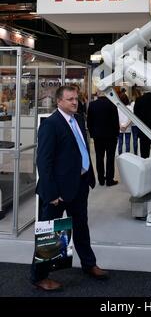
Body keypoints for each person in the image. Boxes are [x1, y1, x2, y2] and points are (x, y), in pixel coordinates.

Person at [30, 85, 108, 292]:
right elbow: (43, 162)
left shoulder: (79, 119)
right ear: (59, 102)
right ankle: (39, 277)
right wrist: (52, 193)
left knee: (82, 227)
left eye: (76, 98)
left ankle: (89, 264)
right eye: (70, 99)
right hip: (58, 192)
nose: (75, 102)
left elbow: (80, 149)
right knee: (52, 234)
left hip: (80, 185)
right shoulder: (51, 125)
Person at [87, 90, 119, 186]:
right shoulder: (112, 104)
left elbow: (89, 122)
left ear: (97, 94)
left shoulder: (92, 105)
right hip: (111, 136)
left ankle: (101, 179)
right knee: (110, 158)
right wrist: (116, 134)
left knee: (99, 157)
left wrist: (93, 134)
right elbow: (115, 121)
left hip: (98, 136)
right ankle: (109, 180)